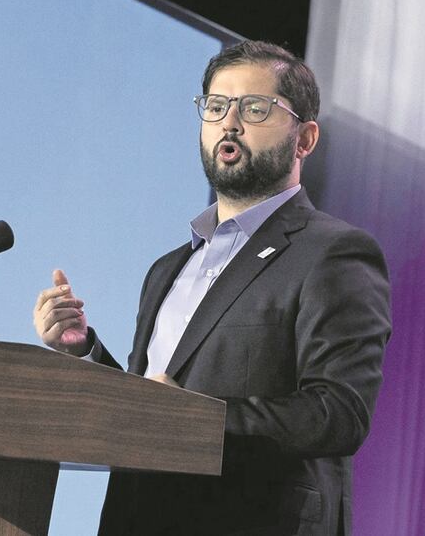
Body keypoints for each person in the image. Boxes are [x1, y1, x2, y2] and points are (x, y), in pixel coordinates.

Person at [32, 40, 392, 535]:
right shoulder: (167, 269)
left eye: (255, 108)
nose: (230, 123)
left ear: (305, 138)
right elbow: (151, 409)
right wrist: (86, 354)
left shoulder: (334, 253)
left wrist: (197, 422)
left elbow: (338, 412)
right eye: (217, 107)